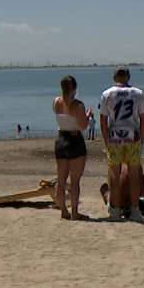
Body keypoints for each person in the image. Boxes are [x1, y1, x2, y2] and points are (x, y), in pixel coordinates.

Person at [99, 67, 144, 222]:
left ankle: (115, 209)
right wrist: (142, 138)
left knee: (114, 174)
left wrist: (106, 139)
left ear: (114, 77)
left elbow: (103, 120)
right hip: (132, 137)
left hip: (114, 137)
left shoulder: (106, 94)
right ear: (128, 76)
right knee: (134, 175)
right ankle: (134, 209)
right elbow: (143, 118)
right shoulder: (138, 93)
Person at [52, 75, 90, 220]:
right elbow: (83, 126)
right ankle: (74, 212)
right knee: (75, 181)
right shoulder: (78, 105)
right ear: (74, 88)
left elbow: (60, 117)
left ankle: (63, 211)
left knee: (61, 180)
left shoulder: (56, 102)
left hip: (61, 139)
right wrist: (87, 116)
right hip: (75, 140)